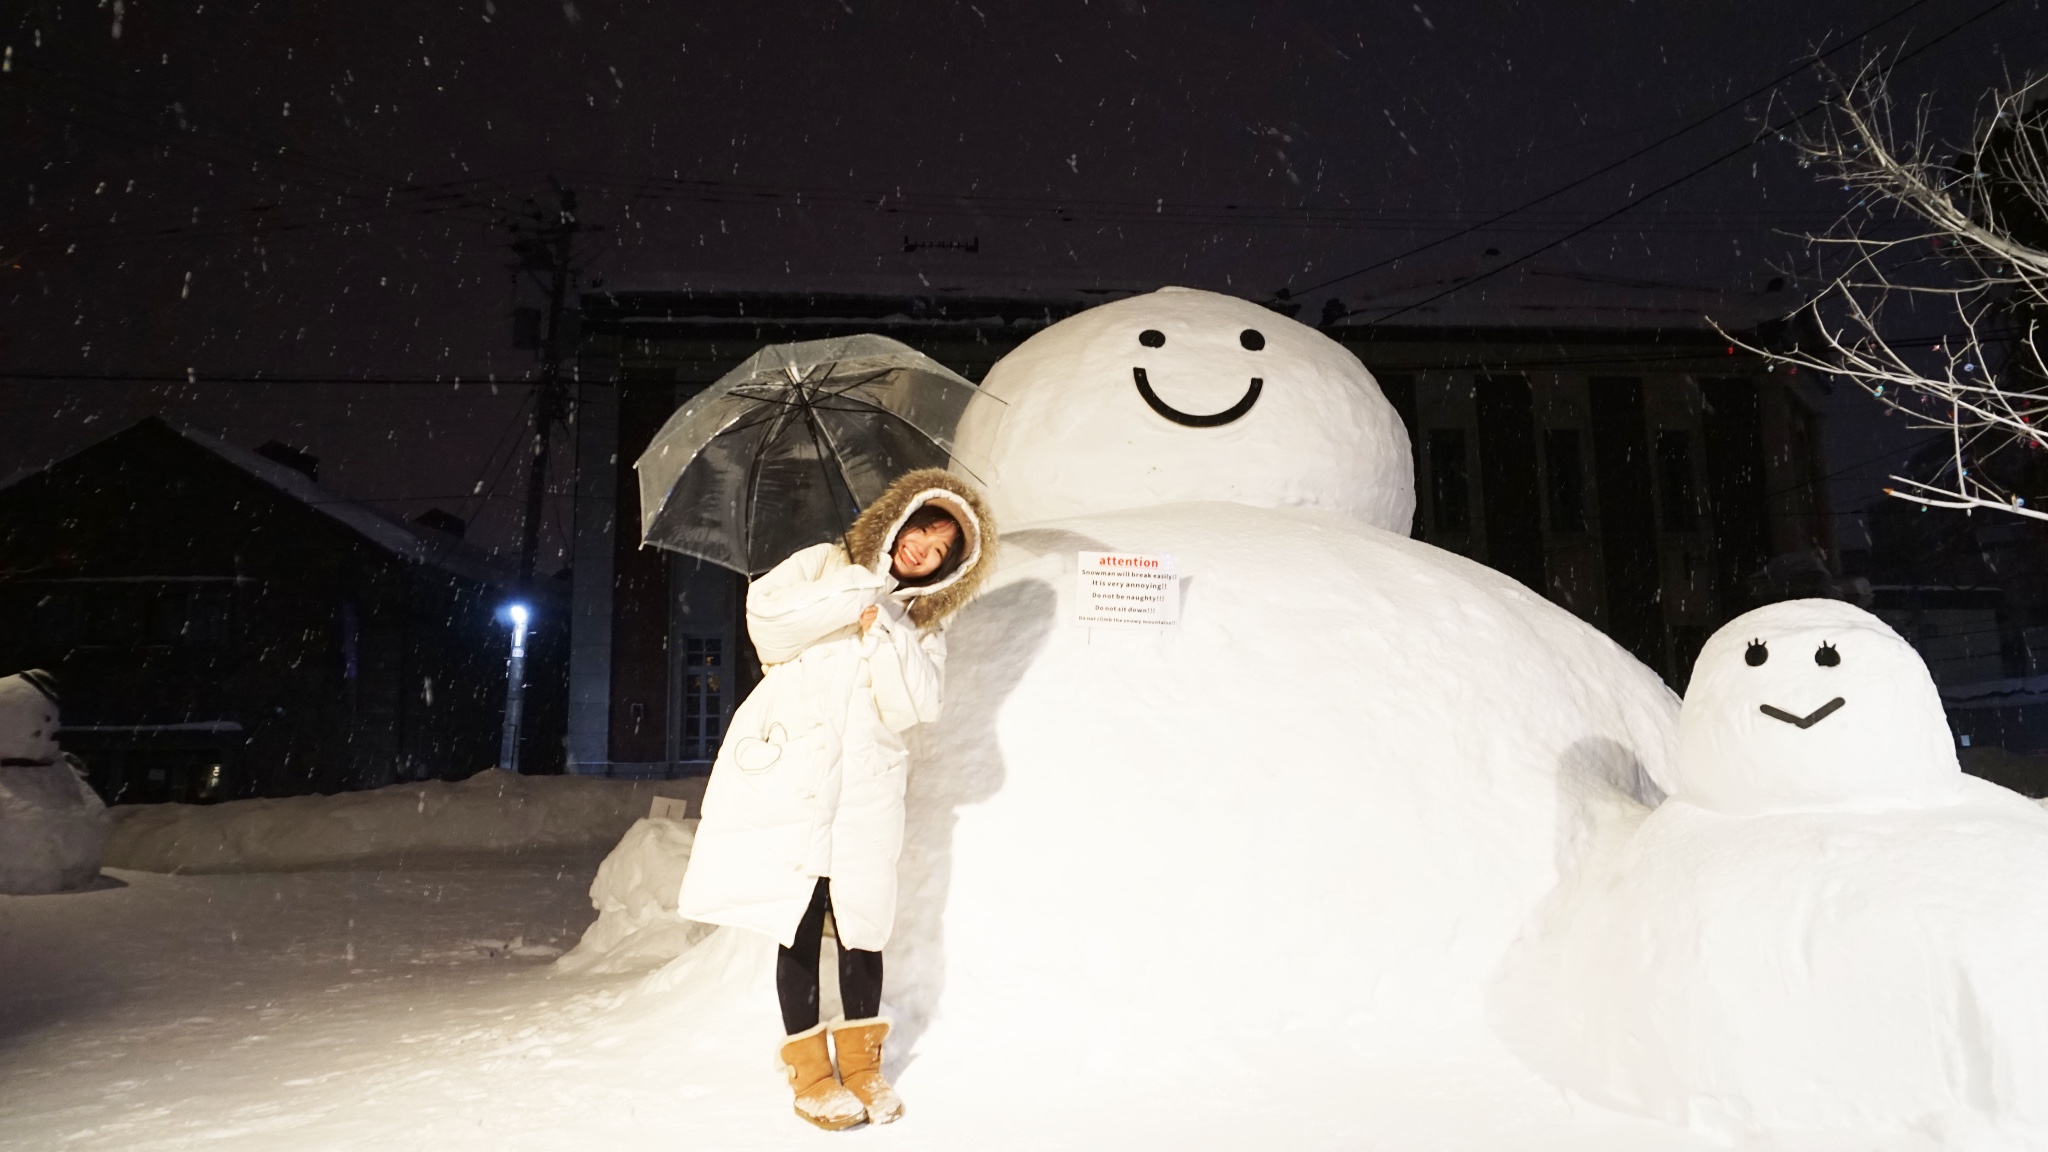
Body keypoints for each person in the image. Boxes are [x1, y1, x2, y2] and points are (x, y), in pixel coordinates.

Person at [676, 467, 993, 1131]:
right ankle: (812, 1076)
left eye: (941, 551)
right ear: (899, 521)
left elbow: (917, 705)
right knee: (797, 920)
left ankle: (865, 1070)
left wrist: (887, 629)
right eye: (923, 533)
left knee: (861, 928)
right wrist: (854, 594)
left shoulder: (922, 624)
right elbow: (767, 622)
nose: (923, 552)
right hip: (796, 776)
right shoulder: (825, 564)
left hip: (867, 790)